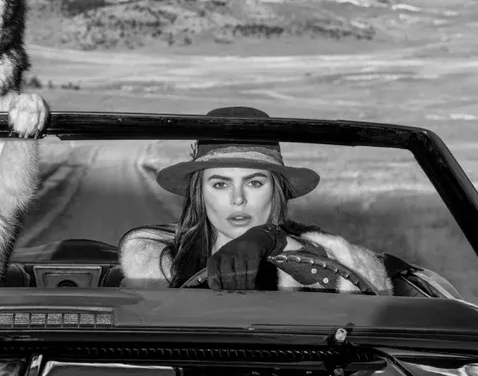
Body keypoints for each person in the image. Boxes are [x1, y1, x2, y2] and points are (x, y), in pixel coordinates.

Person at [119, 106, 393, 294]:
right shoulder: (160, 259)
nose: (238, 199)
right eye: (220, 184)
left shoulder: (312, 247)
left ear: (277, 190)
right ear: (199, 194)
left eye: (254, 182)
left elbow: (371, 284)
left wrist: (276, 241)